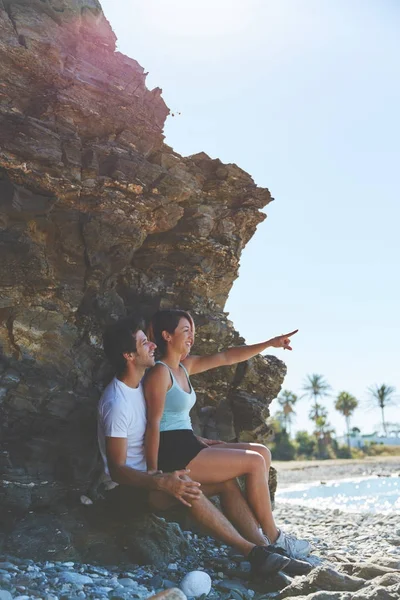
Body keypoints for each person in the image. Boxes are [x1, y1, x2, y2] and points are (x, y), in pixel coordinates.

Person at [97, 315, 310, 580]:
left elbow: (166, 423)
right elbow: (118, 471)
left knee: (229, 482)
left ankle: (266, 550)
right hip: (131, 490)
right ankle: (266, 546)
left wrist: (268, 343)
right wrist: (158, 478)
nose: (151, 345)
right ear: (129, 355)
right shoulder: (118, 402)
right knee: (204, 481)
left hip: (159, 470)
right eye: (144, 343)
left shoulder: (140, 384)